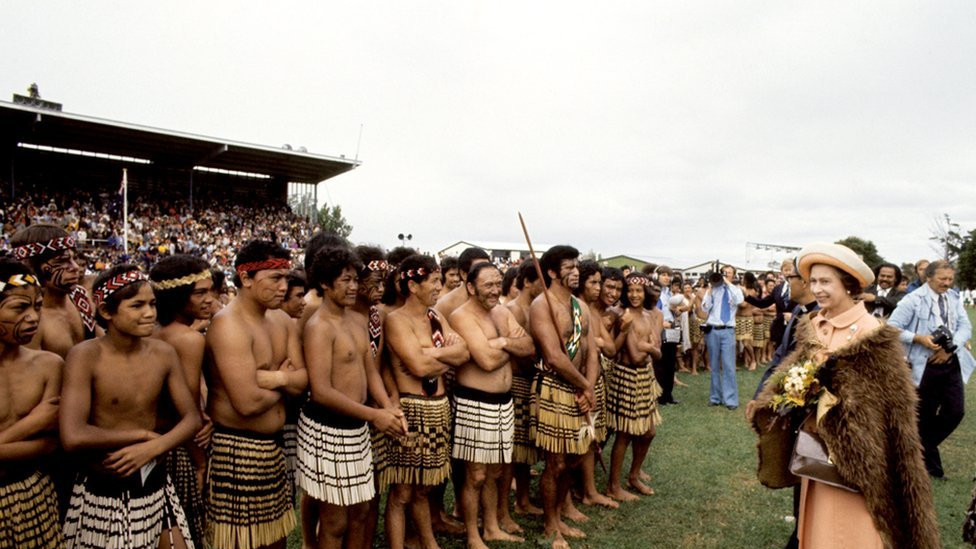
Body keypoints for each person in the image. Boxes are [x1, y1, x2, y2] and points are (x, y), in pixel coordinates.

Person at [753, 242, 940, 549]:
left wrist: (831, 401)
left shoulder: (873, 335)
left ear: (848, 284)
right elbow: (791, 376)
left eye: (826, 281)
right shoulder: (813, 325)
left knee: (847, 534)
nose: (817, 289)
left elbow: (892, 413)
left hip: (855, 467)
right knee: (814, 533)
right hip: (814, 456)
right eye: (813, 281)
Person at [60, 264, 202, 549]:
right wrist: (143, 438)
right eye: (137, 306)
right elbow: (73, 435)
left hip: (155, 481)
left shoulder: (163, 353)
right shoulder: (85, 357)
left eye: (152, 304)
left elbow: (191, 418)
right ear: (106, 311)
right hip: (104, 488)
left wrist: (153, 448)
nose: (149, 313)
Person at [298, 246, 405, 549]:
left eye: (355, 279)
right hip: (327, 430)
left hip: (356, 428)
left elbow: (370, 372)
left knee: (360, 512)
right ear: (324, 284)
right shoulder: (318, 327)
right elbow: (321, 391)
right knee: (334, 522)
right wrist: (375, 416)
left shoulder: (357, 322)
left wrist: (389, 408)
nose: (354, 286)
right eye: (345, 280)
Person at [204, 240, 308, 549]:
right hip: (236, 451)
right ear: (246, 278)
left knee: (276, 541)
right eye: (275, 278)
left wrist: (270, 377)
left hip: (271, 450)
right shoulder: (228, 326)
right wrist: (285, 380)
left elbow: (302, 382)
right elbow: (247, 403)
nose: (283, 287)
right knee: (241, 544)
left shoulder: (281, 320)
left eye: (286, 278)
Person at [383, 254, 469, 549]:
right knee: (403, 490)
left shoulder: (436, 317)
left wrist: (429, 353)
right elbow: (418, 370)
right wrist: (442, 355)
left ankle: (429, 543)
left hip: (438, 409)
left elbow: (464, 352)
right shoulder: (395, 320)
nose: (438, 287)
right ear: (412, 285)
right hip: (411, 407)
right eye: (433, 281)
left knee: (424, 488)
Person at [449, 262, 533, 549]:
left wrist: (499, 342)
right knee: (476, 474)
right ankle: (473, 534)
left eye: (498, 283)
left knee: (496, 472)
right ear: (471, 287)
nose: (495, 290)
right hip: (474, 402)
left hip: (503, 403)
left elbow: (530, 346)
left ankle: (493, 527)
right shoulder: (461, 316)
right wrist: (510, 346)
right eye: (488, 285)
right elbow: (484, 361)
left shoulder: (501, 311)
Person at [745, 257, 818, 549]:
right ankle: (801, 529)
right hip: (788, 406)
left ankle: (803, 534)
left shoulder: (818, 318)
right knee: (795, 467)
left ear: (805, 281)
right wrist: (760, 397)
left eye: (790, 278)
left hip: (807, 410)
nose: (785, 283)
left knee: (809, 468)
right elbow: (779, 359)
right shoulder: (798, 310)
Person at [528, 245, 597, 549]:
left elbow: (591, 350)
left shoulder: (580, 306)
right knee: (555, 462)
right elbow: (554, 357)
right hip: (554, 389)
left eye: (576, 265)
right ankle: (549, 526)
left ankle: (559, 515)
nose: (575, 270)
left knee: (576, 457)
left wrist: (588, 386)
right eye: (568, 266)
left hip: (580, 389)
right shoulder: (541, 305)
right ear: (553, 272)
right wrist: (585, 386)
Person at [149, 255, 217, 549]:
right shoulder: (188, 340)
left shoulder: (152, 332)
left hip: (155, 447)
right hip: (179, 451)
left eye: (210, 290)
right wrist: (201, 464)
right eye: (200, 292)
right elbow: (187, 408)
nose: (209, 299)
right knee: (187, 530)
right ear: (177, 296)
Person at [888, 259, 974, 479]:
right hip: (923, 367)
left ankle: (914, 451)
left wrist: (950, 348)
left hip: (950, 363)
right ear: (929, 277)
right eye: (942, 279)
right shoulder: (913, 300)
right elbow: (892, 328)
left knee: (955, 412)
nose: (947, 283)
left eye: (950, 279)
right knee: (924, 416)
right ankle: (932, 469)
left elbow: (966, 326)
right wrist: (918, 338)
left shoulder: (953, 297)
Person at [0, 259, 64, 549]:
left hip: (33, 497)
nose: (33, 317)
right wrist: (31, 424)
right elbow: (40, 433)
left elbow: (50, 444)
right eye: (19, 307)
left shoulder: (49, 365)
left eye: (37, 306)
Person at [605, 272, 661, 502]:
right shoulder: (621, 314)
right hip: (626, 376)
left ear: (645, 292)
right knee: (624, 433)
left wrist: (647, 346)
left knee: (649, 431)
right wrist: (649, 348)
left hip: (645, 378)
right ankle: (613, 486)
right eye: (630, 291)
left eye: (639, 291)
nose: (635, 295)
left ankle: (634, 475)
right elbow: (637, 356)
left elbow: (658, 352)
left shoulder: (649, 315)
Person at [10, 224, 99, 357]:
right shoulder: (29, 321)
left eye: (73, 258)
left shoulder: (81, 297)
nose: (75, 267)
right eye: (63, 261)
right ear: (34, 268)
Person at [571, 260, 618, 510]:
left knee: (591, 440)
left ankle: (589, 490)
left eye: (600, 282)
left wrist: (595, 341)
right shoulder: (574, 310)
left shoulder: (594, 312)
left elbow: (609, 349)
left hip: (593, 383)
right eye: (594, 282)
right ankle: (573, 493)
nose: (599, 288)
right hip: (577, 385)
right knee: (573, 443)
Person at [503, 261, 544, 516]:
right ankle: (511, 506)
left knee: (525, 450)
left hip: (531, 382)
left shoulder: (534, 309)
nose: (545, 287)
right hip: (517, 382)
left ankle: (523, 500)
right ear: (527, 282)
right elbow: (519, 352)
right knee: (514, 451)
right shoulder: (513, 310)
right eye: (540, 282)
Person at [702, 266, 744, 410]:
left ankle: (731, 400)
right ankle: (715, 397)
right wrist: (709, 291)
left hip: (728, 331)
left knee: (729, 366)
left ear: (732, 275)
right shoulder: (713, 289)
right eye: (723, 273)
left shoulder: (735, 289)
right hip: (713, 329)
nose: (725, 275)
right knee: (714, 366)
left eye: (728, 273)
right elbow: (705, 308)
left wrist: (727, 283)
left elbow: (740, 300)